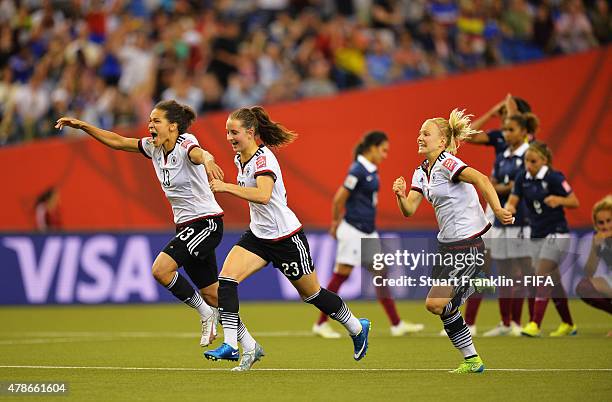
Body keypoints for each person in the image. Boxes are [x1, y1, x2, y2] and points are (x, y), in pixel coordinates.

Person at [204, 106, 370, 371]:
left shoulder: (263, 160)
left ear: (250, 132)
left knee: (312, 294)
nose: (229, 137)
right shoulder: (240, 159)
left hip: (286, 238)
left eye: (233, 132)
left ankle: (356, 326)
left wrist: (225, 188)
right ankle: (233, 345)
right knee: (226, 280)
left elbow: (264, 195)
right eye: (226, 132)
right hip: (258, 236)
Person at [55, 100, 225, 348]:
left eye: (156, 121)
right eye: (149, 121)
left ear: (174, 127)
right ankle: (247, 342)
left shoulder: (185, 143)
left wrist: (209, 159)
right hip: (186, 227)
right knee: (213, 294)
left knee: (161, 270)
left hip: (205, 223)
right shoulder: (154, 148)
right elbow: (118, 141)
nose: (150, 125)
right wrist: (83, 126)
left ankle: (206, 314)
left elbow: (199, 153)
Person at [392, 108, 514, 374]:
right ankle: (472, 360)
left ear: (442, 141)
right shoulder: (421, 172)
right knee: (443, 308)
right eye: (419, 132)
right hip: (446, 246)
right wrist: (401, 195)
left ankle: (477, 283)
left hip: (467, 244)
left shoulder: (449, 163)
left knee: (434, 304)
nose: (420, 137)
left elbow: (481, 179)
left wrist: (498, 208)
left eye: (427, 133)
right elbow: (410, 210)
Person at [312, 131, 424, 339]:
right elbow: (338, 199)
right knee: (341, 275)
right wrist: (335, 223)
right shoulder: (358, 170)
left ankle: (396, 324)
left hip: (367, 232)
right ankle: (320, 324)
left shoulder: (370, 169)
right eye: (383, 150)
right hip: (354, 230)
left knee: (380, 275)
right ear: (372, 147)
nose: (385, 155)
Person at [460, 94, 532, 334]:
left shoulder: (527, 148)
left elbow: (522, 183)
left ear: (521, 125)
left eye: (507, 118)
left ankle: (512, 321)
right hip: (493, 210)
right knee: (482, 264)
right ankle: (470, 322)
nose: (503, 125)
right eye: (501, 119)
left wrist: (497, 186)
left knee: (511, 270)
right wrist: (491, 111)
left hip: (516, 213)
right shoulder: (502, 138)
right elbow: (467, 135)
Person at [506, 141, 580, 337]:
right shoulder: (522, 177)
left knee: (541, 274)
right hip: (536, 233)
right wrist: (509, 209)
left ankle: (534, 324)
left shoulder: (554, 178)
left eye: (533, 161)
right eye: (526, 161)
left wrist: (559, 200)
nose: (529, 165)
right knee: (553, 281)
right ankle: (568, 324)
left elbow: (574, 201)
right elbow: (513, 201)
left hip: (557, 232)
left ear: (544, 160)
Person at [483, 113, 539, 337]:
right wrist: (507, 186)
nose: (506, 134)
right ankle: (507, 323)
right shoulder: (503, 156)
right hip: (500, 221)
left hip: (522, 220)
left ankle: (532, 321)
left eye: (511, 129)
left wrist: (502, 187)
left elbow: (520, 186)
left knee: (526, 272)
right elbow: (494, 184)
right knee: (504, 272)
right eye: (504, 130)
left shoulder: (530, 155)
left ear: (524, 132)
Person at [575, 195, 612, 334]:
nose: (605, 226)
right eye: (601, 223)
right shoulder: (598, 239)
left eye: (609, 221)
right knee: (584, 287)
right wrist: (595, 247)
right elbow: (589, 272)